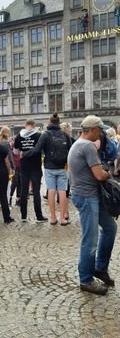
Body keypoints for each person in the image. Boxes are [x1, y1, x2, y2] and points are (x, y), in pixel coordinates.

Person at [68, 115, 117, 295]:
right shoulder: (87, 146)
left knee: (110, 228)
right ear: (93, 129)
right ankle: (85, 279)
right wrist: (106, 172)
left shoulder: (79, 144)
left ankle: (100, 268)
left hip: (89, 195)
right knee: (90, 240)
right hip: (87, 197)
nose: (102, 133)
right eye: (100, 129)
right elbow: (99, 175)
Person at [23, 113, 70, 225]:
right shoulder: (64, 134)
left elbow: (37, 149)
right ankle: (63, 218)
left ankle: (53, 218)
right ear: (59, 123)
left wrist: (25, 154)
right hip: (62, 166)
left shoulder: (45, 134)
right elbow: (71, 149)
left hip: (49, 167)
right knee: (62, 191)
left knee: (51, 190)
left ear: (49, 122)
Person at [14, 119, 45, 223]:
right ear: (33, 125)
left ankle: (23, 216)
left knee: (24, 191)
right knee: (36, 191)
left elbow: (16, 151)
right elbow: (41, 149)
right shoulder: (38, 136)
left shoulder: (19, 136)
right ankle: (39, 216)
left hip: (24, 166)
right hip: (35, 166)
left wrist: (24, 150)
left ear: (25, 125)